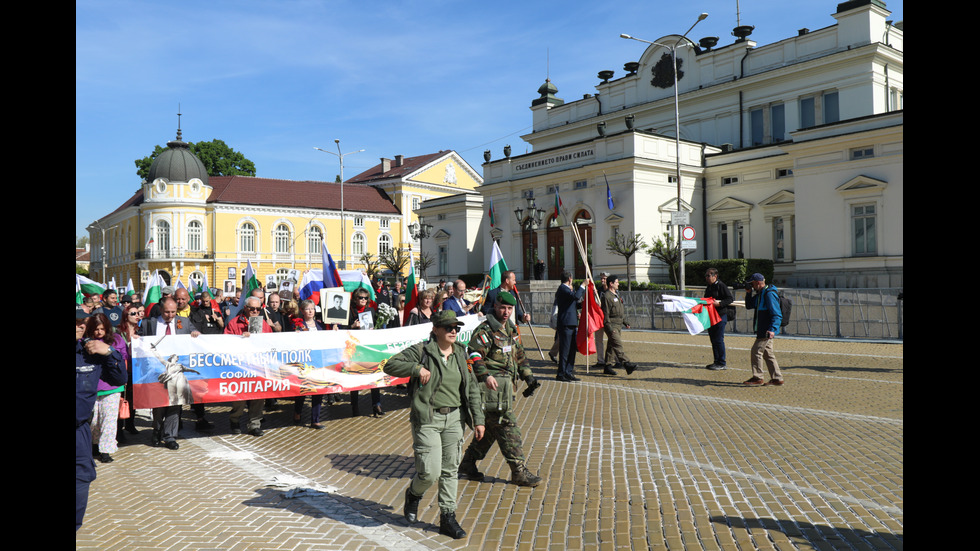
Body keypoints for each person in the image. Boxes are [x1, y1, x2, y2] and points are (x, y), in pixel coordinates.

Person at [382, 310, 486, 539]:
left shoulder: (461, 353)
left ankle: (447, 517)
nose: (453, 331)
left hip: (455, 419)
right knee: (429, 472)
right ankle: (413, 494)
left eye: (455, 327)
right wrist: (415, 369)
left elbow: (472, 389)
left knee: (450, 470)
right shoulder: (422, 351)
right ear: (435, 330)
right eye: (448, 327)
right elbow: (390, 365)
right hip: (428, 419)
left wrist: (478, 420)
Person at [458, 291, 543, 487]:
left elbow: (519, 354)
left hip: (506, 390)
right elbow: (474, 355)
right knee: (508, 427)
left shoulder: (511, 329)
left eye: (509, 309)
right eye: (503, 308)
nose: (506, 312)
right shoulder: (485, 331)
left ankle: (468, 463)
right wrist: (485, 375)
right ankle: (518, 471)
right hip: (491, 392)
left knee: (489, 431)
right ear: (495, 306)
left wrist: (528, 376)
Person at [77, 310, 127, 531]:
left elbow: (119, 378)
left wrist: (109, 352)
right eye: (76, 323)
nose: (80, 327)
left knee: (82, 477)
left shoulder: (90, 352)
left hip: (79, 430)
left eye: (82, 324)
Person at [140, 296, 201, 449]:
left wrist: (195, 334)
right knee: (159, 404)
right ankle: (157, 430)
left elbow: (195, 333)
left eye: (173, 312)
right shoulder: (150, 323)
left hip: (177, 374)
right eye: (167, 312)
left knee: (175, 404)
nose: (170, 315)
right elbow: (141, 341)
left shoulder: (184, 322)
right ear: (160, 310)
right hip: (157, 371)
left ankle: (170, 436)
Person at [224, 296, 273, 435]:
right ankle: (234, 420)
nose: (255, 311)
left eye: (258, 309)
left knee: (258, 396)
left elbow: (271, 341)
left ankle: (254, 424)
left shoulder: (263, 324)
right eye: (252, 309)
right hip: (240, 366)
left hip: (258, 365)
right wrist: (240, 339)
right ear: (245, 308)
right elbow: (225, 341)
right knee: (240, 396)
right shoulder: (234, 323)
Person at [84, 313, 128, 464]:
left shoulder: (116, 340)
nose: (99, 332)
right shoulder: (85, 341)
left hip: (112, 387)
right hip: (93, 388)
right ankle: (94, 445)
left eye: (102, 329)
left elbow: (123, 359)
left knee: (109, 421)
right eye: (96, 329)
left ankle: (106, 450)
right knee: (94, 420)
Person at [291, 299, 329, 429]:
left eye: (312, 308)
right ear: (302, 311)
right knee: (303, 389)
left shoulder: (320, 325)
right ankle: (297, 411)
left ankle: (315, 419)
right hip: (304, 361)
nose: (311, 311)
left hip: (318, 361)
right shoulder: (298, 325)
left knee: (318, 389)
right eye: (307, 309)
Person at [346, 288, 384, 417]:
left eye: (365, 298)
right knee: (355, 377)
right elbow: (342, 330)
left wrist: (375, 328)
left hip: (368, 348)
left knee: (374, 374)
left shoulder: (371, 311)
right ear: (355, 299)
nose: (363, 300)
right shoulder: (350, 312)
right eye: (360, 297)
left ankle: (377, 404)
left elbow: (377, 327)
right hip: (355, 349)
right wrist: (352, 326)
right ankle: (355, 406)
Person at [743, 273, 784, 386]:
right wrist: (748, 293)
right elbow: (749, 305)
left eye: (752, 284)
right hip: (763, 328)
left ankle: (758, 377)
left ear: (758, 282)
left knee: (756, 351)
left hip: (766, 330)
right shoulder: (761, 294)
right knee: (768, 353)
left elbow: (777, 314)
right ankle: (777, 378)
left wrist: (773, 329)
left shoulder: (769, 294)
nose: (751, 286)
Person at [599, 275, 637, 376]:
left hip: (619, 324)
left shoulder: (616, 294)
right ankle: (627, 364)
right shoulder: (606, 296)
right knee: (618, 345)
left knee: (611, 346)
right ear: (611, 284)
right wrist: (610, 328)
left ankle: (607, 366)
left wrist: (625, 322)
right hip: (611, 325)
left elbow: (619, 312)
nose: (618, 284)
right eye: (617, 282)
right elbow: (605, 314)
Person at [554, 271, 584, 382]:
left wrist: (585, 303)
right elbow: (575, 297)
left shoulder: (568, 290)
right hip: (565, 324)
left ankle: (568, 371)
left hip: (572, 323)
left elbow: (575, 303)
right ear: (570, 279)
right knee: (565, 350)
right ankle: (561, 373)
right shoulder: (563, 289)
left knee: (572, 350)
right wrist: (582, 286)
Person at [703, 268, 735, 371]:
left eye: (709, 275)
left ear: (715, 276)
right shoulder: (709, 287)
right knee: (713, 339)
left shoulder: (721, 285)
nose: (707, 277)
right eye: (706, 275)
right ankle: (716, 361)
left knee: (718, 339)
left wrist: (720, 303)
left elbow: (729, 299)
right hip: (711, 315)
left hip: (720, 315)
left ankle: (722, 362)